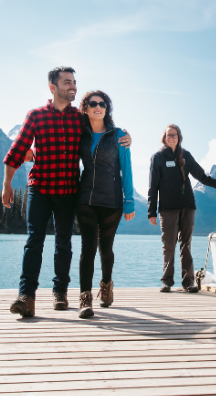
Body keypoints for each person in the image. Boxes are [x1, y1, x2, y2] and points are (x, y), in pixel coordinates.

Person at [2, 66, 130, 318]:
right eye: (67, 82)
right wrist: (7, 184)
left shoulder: (79, 119)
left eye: (74, 82)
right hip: (39, 187)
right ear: (53, 87)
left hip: (68, 190)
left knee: (63, 242)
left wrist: (124, 136)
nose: (73, 86)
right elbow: (17, 150)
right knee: (34, 241)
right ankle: (26, 296)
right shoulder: (35, 116)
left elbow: (101, 128)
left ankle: (60, 292)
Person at [148, 124, 216, 293]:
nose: (171, 138)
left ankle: (188, 282)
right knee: (169, 245)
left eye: (174, 135)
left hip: (187, 206)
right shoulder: (157, 158)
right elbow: (153, 186)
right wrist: (151, 211)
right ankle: (167, 281)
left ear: (179, 137)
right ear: (164, 138)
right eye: (168, 135)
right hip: (167, 209)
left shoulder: (186, 156)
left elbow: (203, 177)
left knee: (186, 245)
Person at [75, 90, 135, 319]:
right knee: (88, 248)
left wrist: (129, 201)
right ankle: (85, 298)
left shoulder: (119, 135)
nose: (98, 107)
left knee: (106, 248)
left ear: (107, 108)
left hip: (111, 200)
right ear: (86, 108)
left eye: (102, 104)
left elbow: (126, 169)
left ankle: (107, 284)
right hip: (85, 199)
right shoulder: (81, 134)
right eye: (93, 104)